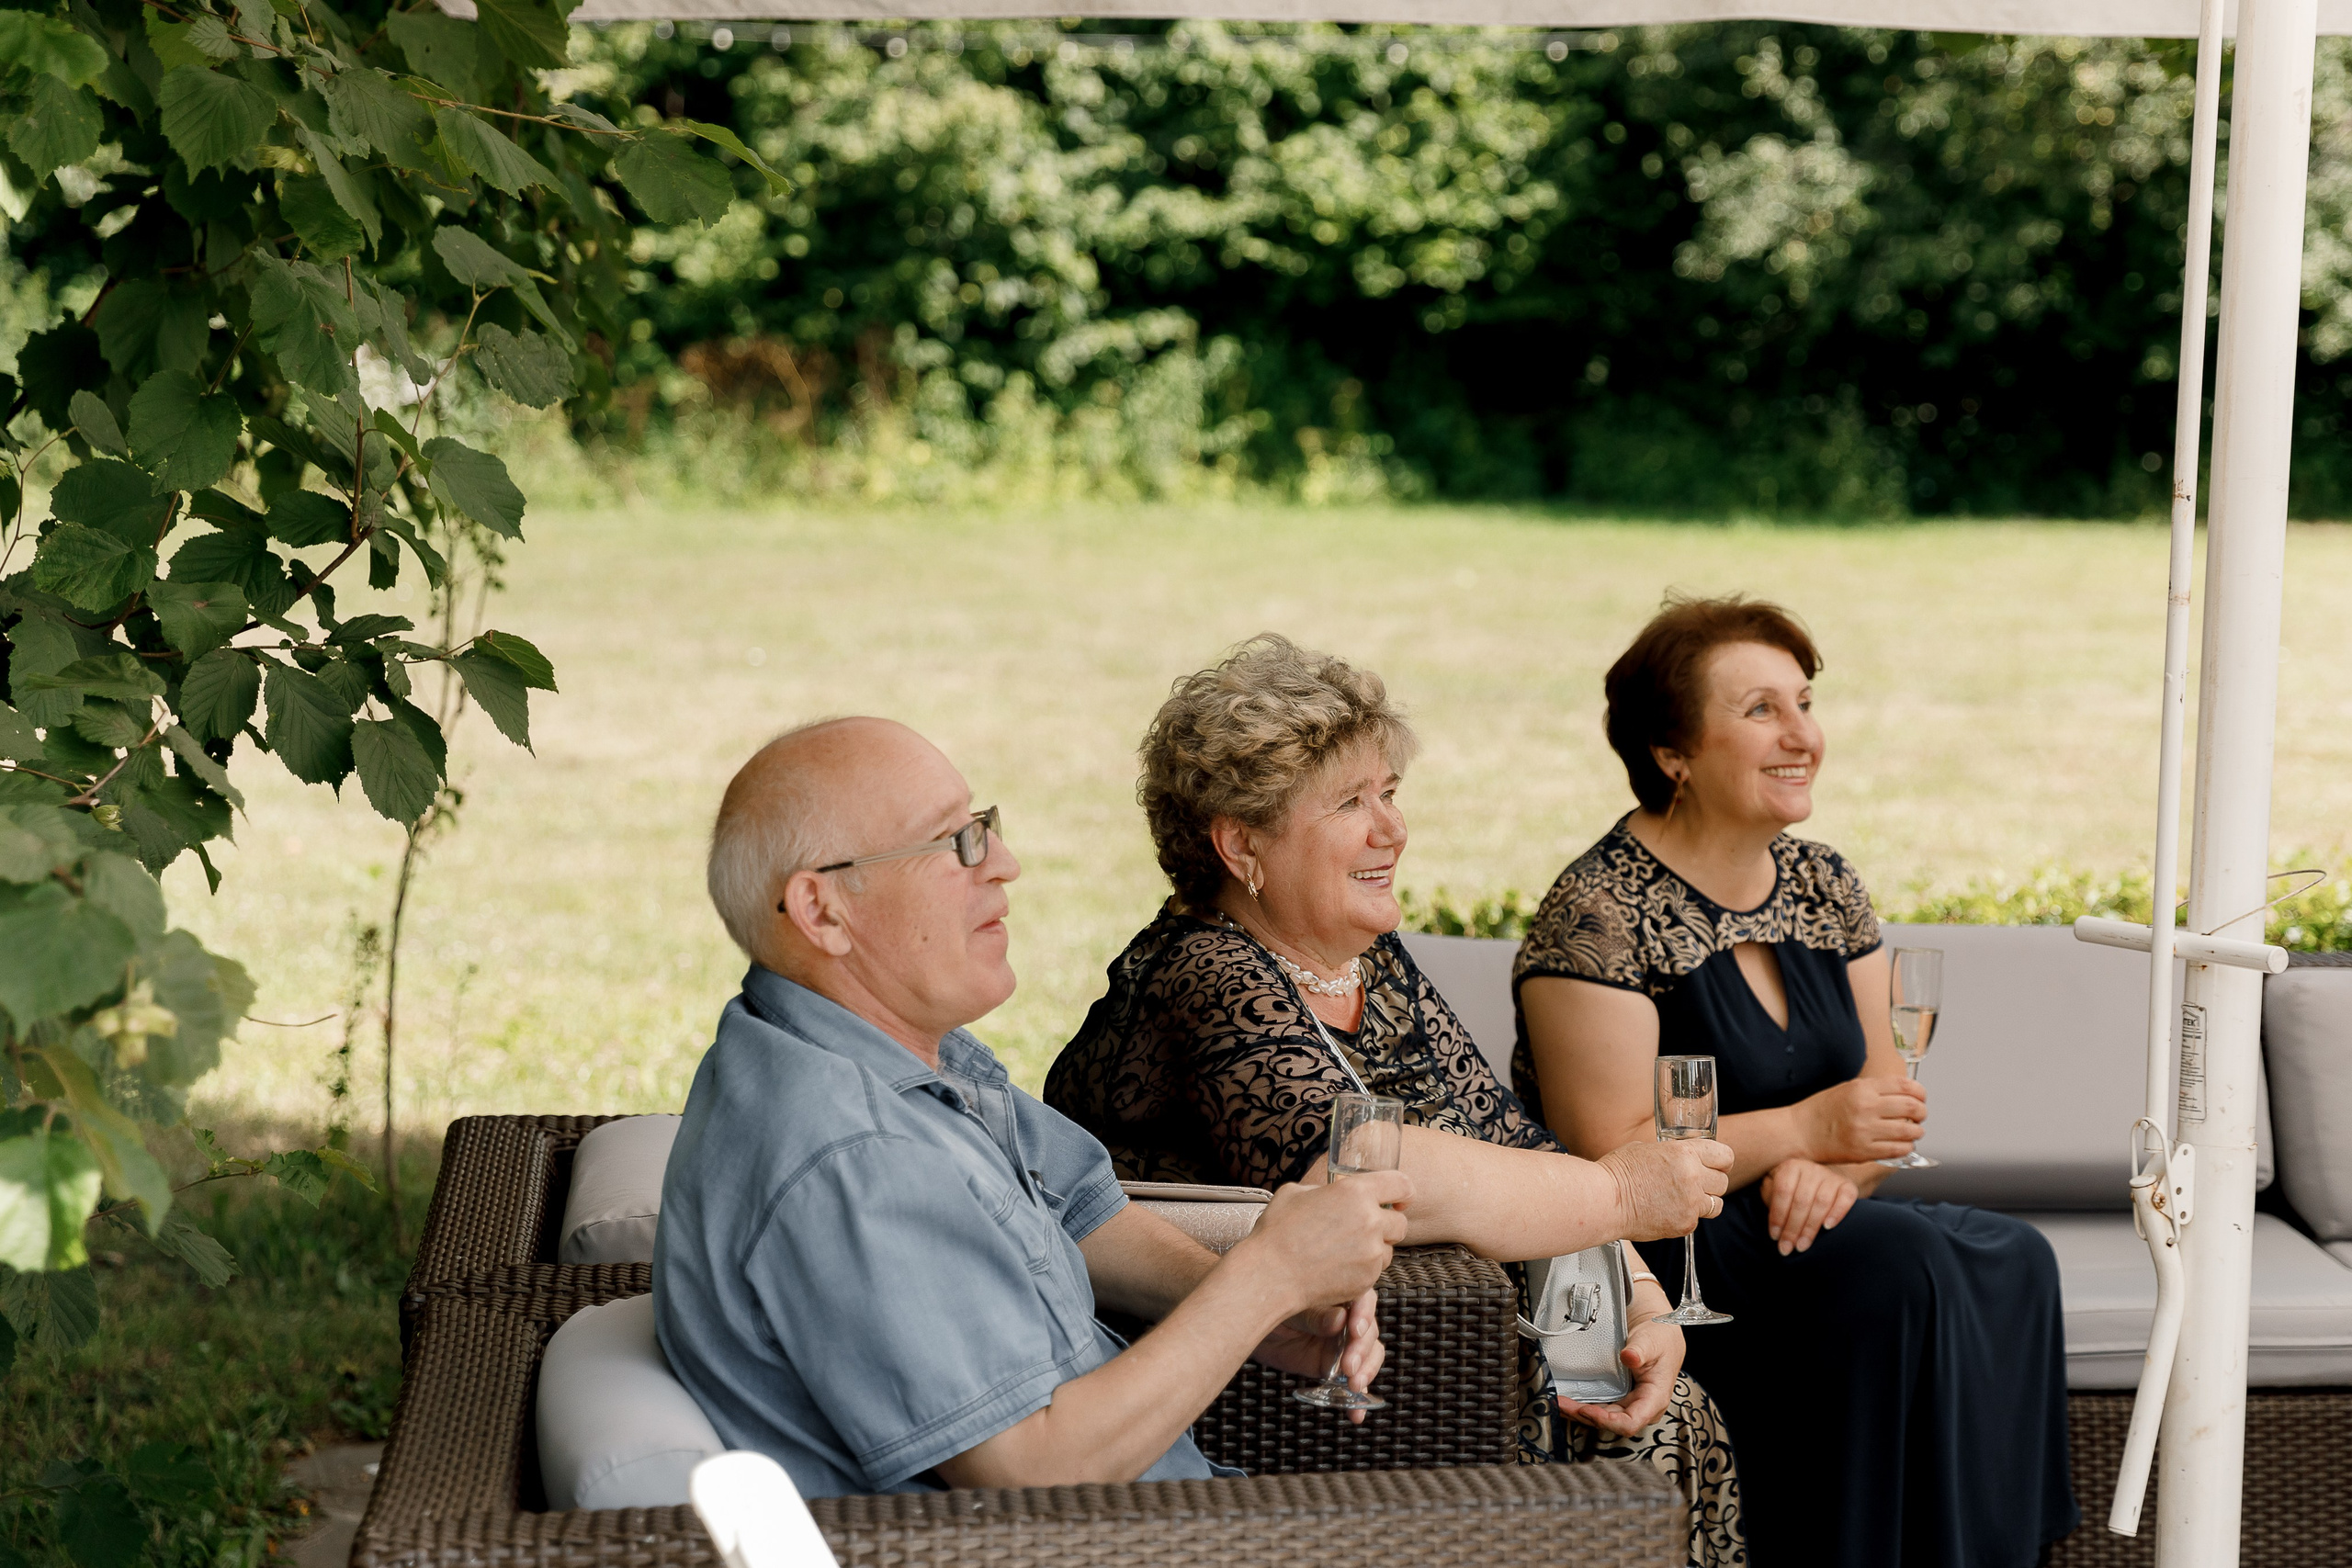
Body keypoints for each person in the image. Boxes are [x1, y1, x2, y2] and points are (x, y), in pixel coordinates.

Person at [1046, 635, 1746, 1567]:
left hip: (1455, 1371)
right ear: (1240, 844)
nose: (1392, 830)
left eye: (1389, 794)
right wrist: (1620, 1195)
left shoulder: (1364, 963)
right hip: (1315, 1412)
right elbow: (1370, 1169)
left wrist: (1642, 1301)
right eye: (1350, 803)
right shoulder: (1204, 975)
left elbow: (1505, 1138)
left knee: (1671, 1420)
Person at [656, 716, 1410, 1499]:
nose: (1005, 864)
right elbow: (1036, 1470)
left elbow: (1085, 1214)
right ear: (821, 912)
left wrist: (1264, 1314)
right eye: (953, 844)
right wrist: (1268, 1274)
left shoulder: (869, 1053)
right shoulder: (856, 1155)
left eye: (982, 826)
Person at [1511, 595, 2078, 1568]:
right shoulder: (1597, 912)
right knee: (1906, 1268)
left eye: (1803, 703)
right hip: (1673, 1258)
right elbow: (1614, 1156)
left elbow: (1882, 1103)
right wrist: (1806, 1132)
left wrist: (1836, 1169)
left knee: (2017, 1257)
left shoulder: (1822, 882)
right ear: (1672, 752)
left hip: (1793, 1215)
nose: (1800, 735)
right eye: (1759, 709)